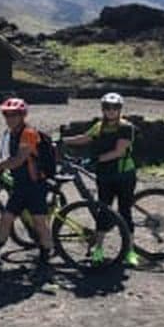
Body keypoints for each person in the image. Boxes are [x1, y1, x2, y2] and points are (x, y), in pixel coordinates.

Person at [62, 92, 140, 267]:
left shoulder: (126, 127)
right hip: (105, 175)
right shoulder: (99, 126)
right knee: (103, 212)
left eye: (115, 108)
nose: (111, 111)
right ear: (103, 109)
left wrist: (95, 159)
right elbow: (84, 138)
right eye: (107, 108)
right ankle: (98, 249)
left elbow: (119, 151)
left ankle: (130, 251)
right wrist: (62, 140)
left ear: (120, 109)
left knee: (125, 212)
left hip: (124, 174)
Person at [0, 97, 53, 270]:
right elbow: (12, 158)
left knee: (40, 224)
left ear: (22, 115)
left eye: (14, 115)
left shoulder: (28, 133)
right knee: (6, 219)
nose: (10, 118)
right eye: (7, 114)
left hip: (35, 186)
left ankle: (44, 260)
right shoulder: (12, 133)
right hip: (21, 186)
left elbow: (19, 160)